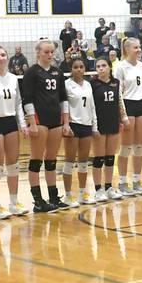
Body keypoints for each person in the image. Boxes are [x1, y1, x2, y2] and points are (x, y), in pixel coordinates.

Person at [20, 39, 66, 211]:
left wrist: (65, 121)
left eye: (51, 52)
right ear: (38, 52)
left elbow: (63, 98)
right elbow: (27, 98)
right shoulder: (32, 72)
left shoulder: (57, 72)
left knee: (52, 160)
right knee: (36, 159)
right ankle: (38, 201)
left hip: (56, 119)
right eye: (46, 52)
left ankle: (53, 197)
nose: (49, 55)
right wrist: (32, 122)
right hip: (39, 120)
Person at [0, 47, 28, 217]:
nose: (1, 58)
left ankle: (14, 202)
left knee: (13, 165)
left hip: (10, 122)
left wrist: (22, 124)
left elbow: (18, 103)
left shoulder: (13, 78)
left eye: (3, 55)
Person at [112, 38, 142, 196]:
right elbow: (118, 94)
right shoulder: (120, 67)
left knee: (139, 146)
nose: (139, 50)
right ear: (127, 49)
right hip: (127, 105)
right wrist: (123, 115)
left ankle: (136, 181)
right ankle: (122, 182)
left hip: (141, 105)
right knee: (126, 146)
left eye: (139, 47)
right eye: (136, 47)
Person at [60, 58, 96, 206]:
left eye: (81, 67)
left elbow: (92, 106)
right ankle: (68, 195)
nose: (79, 69)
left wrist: (94, 126)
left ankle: (82, 193)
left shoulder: (88, 84)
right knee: (69, 161)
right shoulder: (66, 85)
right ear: (71, 69)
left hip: (87, 125)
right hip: (73, 125)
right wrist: (66, 123)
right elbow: (64, 105)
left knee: (83, 162)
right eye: (76, 67)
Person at [88, 58, 123, 202]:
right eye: (98, 66)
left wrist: (123, 118)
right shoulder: (93, 84)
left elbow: (119, 101)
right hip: (99, 124)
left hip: (113, 122)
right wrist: (93, 126)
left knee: (110, 157)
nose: (101, 68)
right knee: (99, 157)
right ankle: (98, 189)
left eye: (103, 65)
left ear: (109, 67)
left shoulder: (116, 83)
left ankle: (108, 187)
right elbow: (91, 106)